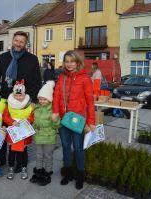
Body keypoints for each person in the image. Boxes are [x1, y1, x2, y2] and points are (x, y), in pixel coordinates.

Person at [0, 31, 42, 168]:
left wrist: (33, 101)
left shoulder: (32, 59)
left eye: (22, 41)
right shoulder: (4, 57)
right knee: (3, 130)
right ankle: (1, 160)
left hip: (23, 103)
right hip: (5, 101)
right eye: (16, 40)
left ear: (25, 43)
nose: (18, 44)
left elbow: (37, 82)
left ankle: (21, 162)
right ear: (12, 41)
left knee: (20, 132)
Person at [52, 50, 95, 190]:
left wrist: (91, 121)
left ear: (77, 62)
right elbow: (56, 96)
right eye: (67, 61)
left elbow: (90, 102)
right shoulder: (61, 77)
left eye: (72, 61)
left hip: (78, 119)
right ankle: (68, 173)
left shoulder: (85, 79)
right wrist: (55, 112)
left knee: (78, 147)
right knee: (65, 146)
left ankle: (80, 175)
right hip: (64, 119)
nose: (69, 64)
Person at [30, 80, 60, 186]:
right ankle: (38, 171)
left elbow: (57, 126)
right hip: (38, 137)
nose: (42, 101)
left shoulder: (53, 110)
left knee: (48, 156)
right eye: (40, 99)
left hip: (49, 138)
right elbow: (34, 122)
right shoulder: (37, 108)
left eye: (44, 99)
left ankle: (47, 173)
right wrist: (30, 128)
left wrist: (54, 120)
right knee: (38, 155)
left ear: (49, 99)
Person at [3, 80, 34, 180]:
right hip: (13, 132)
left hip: (24, 132)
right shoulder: (9, 104)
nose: (18, 97)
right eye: (16, 95)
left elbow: (32, 117)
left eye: (21, 95)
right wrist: (12, 122)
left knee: (23, 151)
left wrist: (25, 122)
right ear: (13, 94)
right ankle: (11, 168)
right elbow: (5, 116)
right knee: (12, 151)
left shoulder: (29, 105)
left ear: (24, 95)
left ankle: (23, 167)